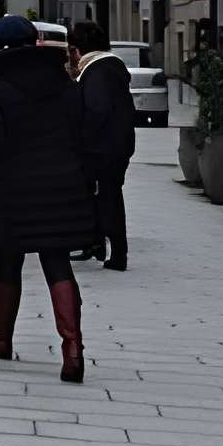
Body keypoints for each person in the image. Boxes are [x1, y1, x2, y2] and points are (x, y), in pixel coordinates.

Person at [0, 14, 99, 383]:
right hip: (62, 185)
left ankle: (3, 338)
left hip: (14, 188)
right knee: (57, 261)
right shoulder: (63, 81)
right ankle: (72, 348)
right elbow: (82, 131)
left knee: (8, 259)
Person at [72, 18, 137, 271]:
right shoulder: (112, 69)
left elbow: (97, 110)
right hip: (118, 144)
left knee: (108, 197)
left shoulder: (96, 73)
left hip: (102, 148)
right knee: (103, 195)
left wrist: (82, 140)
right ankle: (96, 244)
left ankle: (117, 254)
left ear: (78, 50)